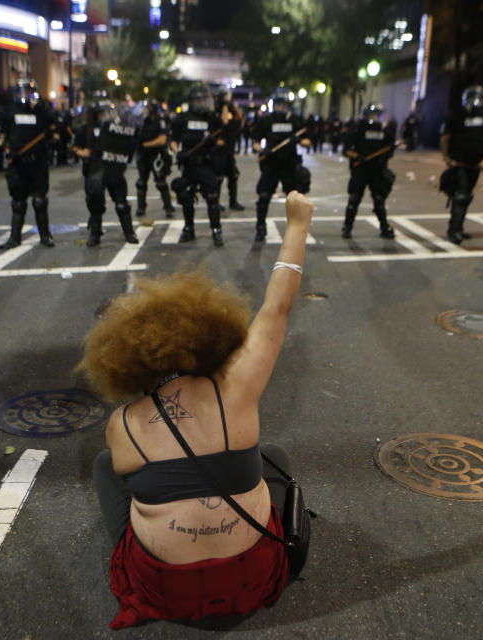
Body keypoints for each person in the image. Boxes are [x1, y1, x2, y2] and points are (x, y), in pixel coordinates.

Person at [83, 190, 314, 629]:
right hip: (253, 579)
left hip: (165, 591)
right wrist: (298, 223)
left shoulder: (123, 425)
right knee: (275, 457)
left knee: (104, 467)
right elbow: (277, 306)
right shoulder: (237, 387)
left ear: (129, 361)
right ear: (211, 338)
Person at [0, 78, 57, 249]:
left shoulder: (42, 112)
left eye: (30, 92)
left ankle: (45, 236)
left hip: (38, 162)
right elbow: (3, 135)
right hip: (18, 163)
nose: (27, 95)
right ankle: (14, 238)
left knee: (40, 201)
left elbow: (53, 132)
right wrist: (7, 150)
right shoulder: (9, 112)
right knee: (18, 202)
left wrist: (52, 136)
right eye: (24, 92)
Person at [73, 99, 139, 247]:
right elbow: (76, 148)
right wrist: (86, 153)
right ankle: (95, 235)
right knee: (96, 204)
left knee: (121, 204)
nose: (108, 116)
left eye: (109, 112)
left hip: (114, 170)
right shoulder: (88, 129)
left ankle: (129, 233)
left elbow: (128, 145)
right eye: (104, 113)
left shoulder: (117, 129)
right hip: (96, 170)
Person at [252, 88, 311, 241]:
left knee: (294, 199)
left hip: (289, 164)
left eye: (284, 105)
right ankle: (260, 227)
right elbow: (255, 143)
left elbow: (307, 141)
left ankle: (295, 229)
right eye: (278, 104)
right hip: (271, 163)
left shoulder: (296, 121)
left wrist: (298, 141)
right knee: (264, 195)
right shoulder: (267, 121)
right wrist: (264, 150)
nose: (281, 107)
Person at [169, 84, 224, 246]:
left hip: (207, 164)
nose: (201, 102)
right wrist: (177, 152)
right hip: (189, 164)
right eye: (198, 99)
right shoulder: (182, 118)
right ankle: (189, 229)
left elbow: (222, 139)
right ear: (192, 100)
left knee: (212, 198)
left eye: (203, 99)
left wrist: (214, 142)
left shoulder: (213, 118)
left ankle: (216, 230)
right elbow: (174, 140)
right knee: (186, 197)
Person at [440, 86, 483, 244]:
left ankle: (459, 228)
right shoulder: (456, 115)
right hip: (459, 162)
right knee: (461, 195)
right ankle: (454, 231)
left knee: (467, 195)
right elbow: (445, 137)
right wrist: (447, 158)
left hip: (475, 164)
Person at [340, 102, 396, 239]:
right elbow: (346, 150)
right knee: (354, 199)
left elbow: (390, 150)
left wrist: (383, 158)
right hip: (361, 169)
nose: (374, 117)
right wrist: (358, 156)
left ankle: (384, 227)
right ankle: (347, 228)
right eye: (372, 115)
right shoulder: (358, 129)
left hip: (377, 170)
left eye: (377, 115)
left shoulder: (385, 131)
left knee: (379, 199)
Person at [133, 100, 175, 219]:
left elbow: (162, 140)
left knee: (161, 182)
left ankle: (168, 207)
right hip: (143, 156)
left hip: (157, 156)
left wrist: (146, 145)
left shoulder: (160, 122)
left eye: (148, 109)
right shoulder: (142, 123)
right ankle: (141, 207)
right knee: (141, 183)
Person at [214, 88, 246, 211]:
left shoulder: (231, 108)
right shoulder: (216, 111)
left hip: (229, 149)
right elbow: (224, 121)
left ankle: (233, 201)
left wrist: (230, 105)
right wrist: (224, 106)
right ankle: (215, 201)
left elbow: (239, 118)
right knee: (218, 178)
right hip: (219, 151)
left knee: (233, 176)